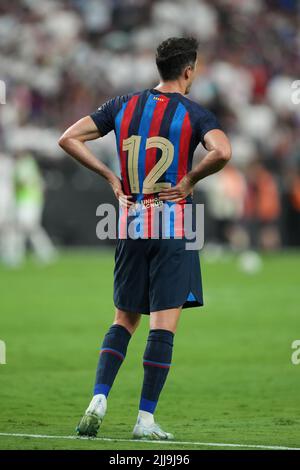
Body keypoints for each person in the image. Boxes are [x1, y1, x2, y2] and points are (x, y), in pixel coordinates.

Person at [59, 37, 231, 440]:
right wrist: (188, 181)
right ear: (188, 71)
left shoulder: (122, 106)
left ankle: (97, 400)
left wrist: (110, 177)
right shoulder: (194, 113)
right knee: (163, 327)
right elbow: (222, 152)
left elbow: (67, 138)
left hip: (132, 224)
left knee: (123, 319)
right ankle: (145, 421)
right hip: (174, 229)